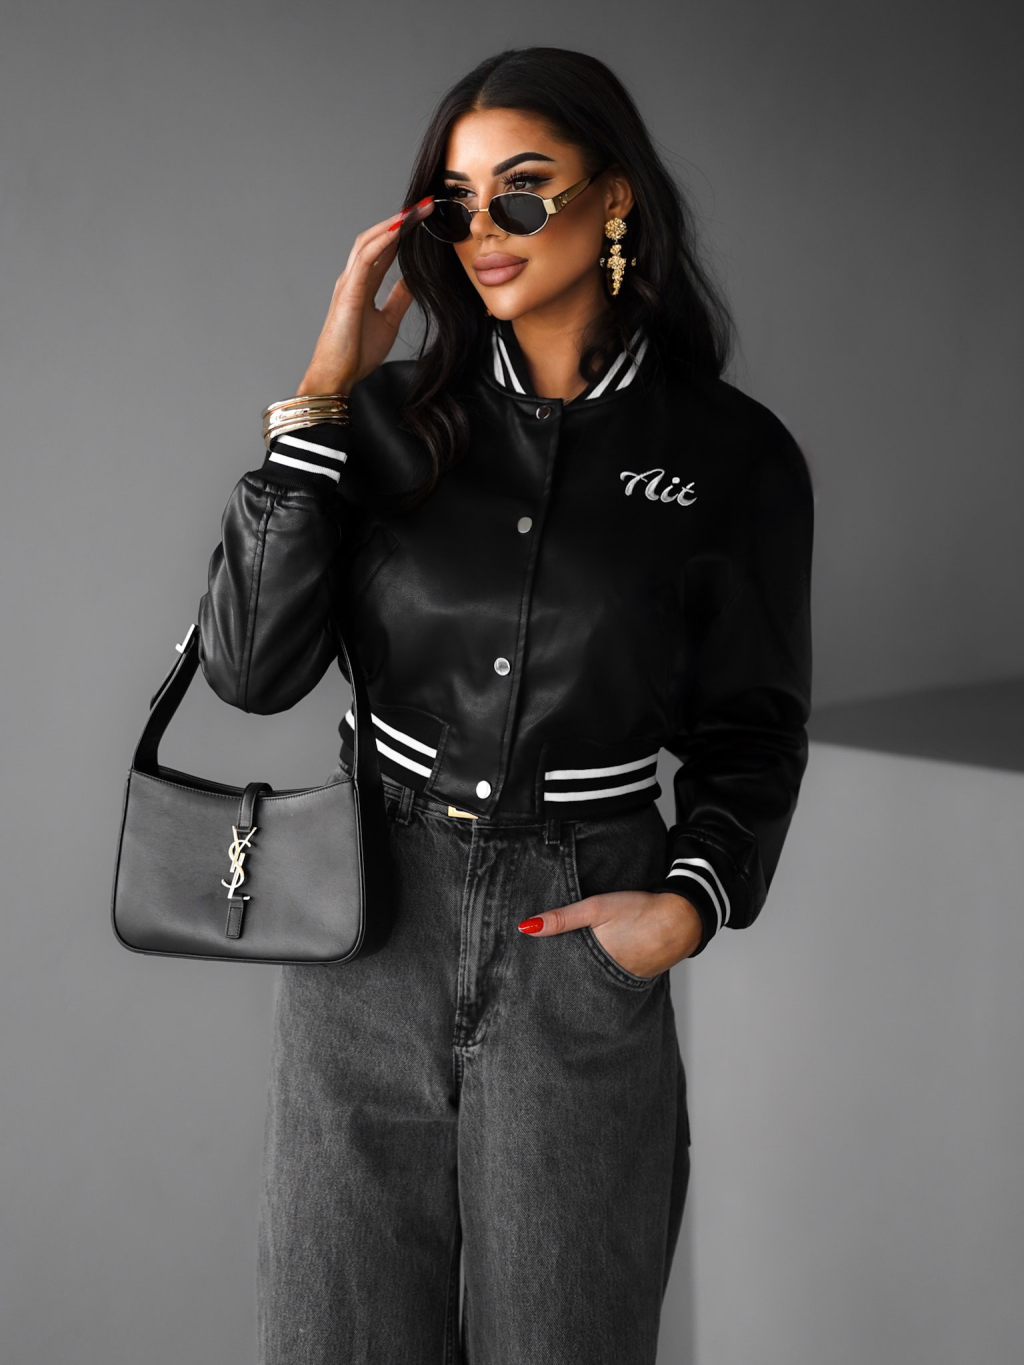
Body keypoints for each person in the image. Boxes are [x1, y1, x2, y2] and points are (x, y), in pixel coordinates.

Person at [198, 44, 813, 1365]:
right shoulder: (383, 421)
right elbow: (249, 671)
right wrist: (320, 395)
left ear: (614, 197)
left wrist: (685, 904)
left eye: (523, 191)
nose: (486, 230)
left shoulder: (732, 457)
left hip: (577, 932)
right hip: (367, 923)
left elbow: (753, 727)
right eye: (458, 202)